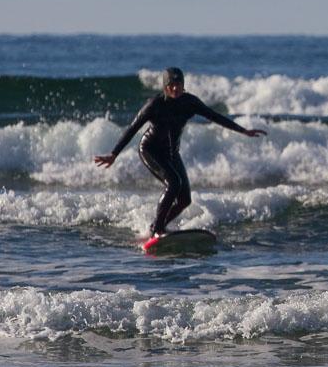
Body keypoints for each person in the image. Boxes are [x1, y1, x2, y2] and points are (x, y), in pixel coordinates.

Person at [94, 67, 266, 239]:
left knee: (185, 200)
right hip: (150, 150)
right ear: (165, 87)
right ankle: (158, 230)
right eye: (171, 85)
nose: (175, 88)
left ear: (183, 85)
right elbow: (132, 129)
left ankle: (155, 227)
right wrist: (114, 154)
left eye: (179, 84)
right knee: (174, 183)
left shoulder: (190, 102)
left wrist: (243, 131)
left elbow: (215, 116)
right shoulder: (155, 104)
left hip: (171, 153)